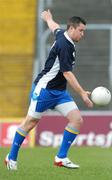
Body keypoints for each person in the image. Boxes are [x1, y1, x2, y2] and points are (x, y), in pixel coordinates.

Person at [5, 9, 93, 170]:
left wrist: (48, 18)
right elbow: (67, 73)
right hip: (45, 90)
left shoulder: (62, 34)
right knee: (30, 123)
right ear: (72, 29)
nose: (82, 34)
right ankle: (11, 158)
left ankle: (61, 157)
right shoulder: (64, 45)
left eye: (84, 31)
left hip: (59, 92)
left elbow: (54, 27)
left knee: (77, 120)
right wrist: (82, 93)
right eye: (81, 30)